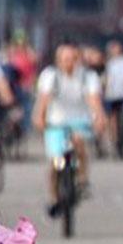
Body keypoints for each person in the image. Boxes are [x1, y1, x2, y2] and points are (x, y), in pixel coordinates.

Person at [33, 43, 106, 216]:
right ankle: (53, 198)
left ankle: (82, 180)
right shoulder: (50, 76)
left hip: (80, 121)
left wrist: (99, 117)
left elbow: (93, 100)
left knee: (79, 142)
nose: (69, 63)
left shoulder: (88, 77)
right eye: (65, 59)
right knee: (54, 163)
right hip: (56, 122)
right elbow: (43, 100)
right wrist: (39, 118)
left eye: (73, 59)